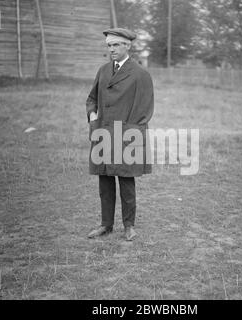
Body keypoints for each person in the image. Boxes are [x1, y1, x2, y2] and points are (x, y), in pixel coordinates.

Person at [86, 28, 154, 241]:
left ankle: (129, 226)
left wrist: (128, 134)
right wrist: (93, 118)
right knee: (105, 181)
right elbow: (91, 99)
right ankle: (106, 225)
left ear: (128, 46)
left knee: (126, 182)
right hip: (102, 133)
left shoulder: (140, 74)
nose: (111, 49)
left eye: (116, 45)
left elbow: (144, 109)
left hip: (126, 136)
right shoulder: (104, 70)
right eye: (109, 45)